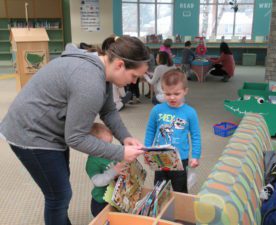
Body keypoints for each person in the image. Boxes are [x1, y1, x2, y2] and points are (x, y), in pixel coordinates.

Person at [0, 36, 150, 225]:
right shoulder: (90, 82)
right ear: (120, 65)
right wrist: (121, 152)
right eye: (134, 76)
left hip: (49, 128)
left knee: (60, 187)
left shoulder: (101, 68)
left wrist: (125, 137)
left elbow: (108, 110)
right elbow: (76, 138)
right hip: (30, 133)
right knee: (59, 195)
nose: (134, 83)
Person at [144, 69, 201, 193]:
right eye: (168, 94)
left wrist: (196, 156)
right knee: (158, 190)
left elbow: (195, 135)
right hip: (160, 156)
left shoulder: (190, 112)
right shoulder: (157, 110)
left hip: (181, 158)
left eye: (177, 93)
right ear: (163, 91)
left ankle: (179, 211)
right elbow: (150, 131)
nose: (172, 97)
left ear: (185, 91)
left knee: (180, 189)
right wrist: (147, 151)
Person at [85, 123, 126, 217]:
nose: (109, 147)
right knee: (103, 219)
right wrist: (114, 171)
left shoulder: (109, 152)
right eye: (106, 144)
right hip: (101, 201)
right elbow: (98, 181)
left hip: (115, 196)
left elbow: (120, 154)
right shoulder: (92, 162)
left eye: (110, 143)